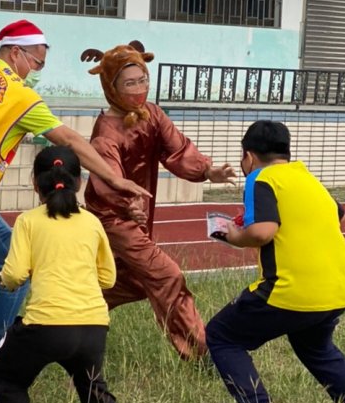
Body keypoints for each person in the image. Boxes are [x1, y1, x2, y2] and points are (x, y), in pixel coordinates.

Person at [0, 19, 151, 363]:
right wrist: (115, 178)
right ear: (16, 53)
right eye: (38, 64)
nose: (36, 73)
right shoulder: (21, 97)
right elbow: (70, 139)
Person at [205, 120, 345, 403]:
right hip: (336, 288)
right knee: (316, 347)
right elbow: (337, 213)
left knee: (221, 335)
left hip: (287, 290)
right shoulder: (306, 177)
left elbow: (262, 232)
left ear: (248, 157)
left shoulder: (261, 178)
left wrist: (233, 235)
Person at [83, 41, 235, 361]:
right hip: (114, 219)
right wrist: (127, 204)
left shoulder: (152, 114)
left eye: (143, 79)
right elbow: (108, 178)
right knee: (166, 276)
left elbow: (177, 149)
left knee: (129, 281)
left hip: (138, 215)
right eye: (130, 83)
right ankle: (203, 354)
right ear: (111, 87)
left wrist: (208, 171)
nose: (139, 89)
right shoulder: (106, 132)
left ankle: (67, 314)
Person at [0, 145, 131, 403]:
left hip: (46, 324)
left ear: (34, 183)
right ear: (79, 182)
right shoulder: (92, 222)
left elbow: (15, 274)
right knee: (93, 389)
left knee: (3, 374)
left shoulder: (28, 221)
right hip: (93, 324)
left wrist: (5, 280)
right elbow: (108, 278)